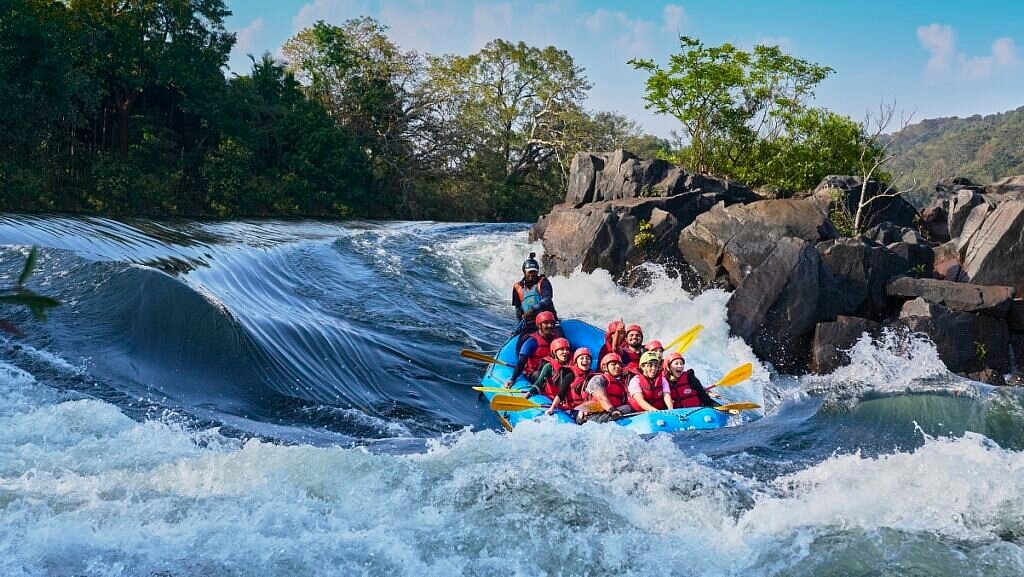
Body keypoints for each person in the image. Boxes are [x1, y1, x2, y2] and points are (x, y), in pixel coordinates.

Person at [505, 311, 561, 387]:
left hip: (552, 370)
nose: (550, 325)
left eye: (552, 323)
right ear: (539, 325)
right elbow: (521, 362)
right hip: (533, 373)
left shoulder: (557, 339)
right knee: (540, 376)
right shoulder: (532, 341)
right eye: (546, 323)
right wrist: (512, 379)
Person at [580, 352, 633, 423]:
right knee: (627, 409)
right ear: (604, 367)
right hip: (592, 416)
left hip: (608, 413)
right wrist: (612, 411)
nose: (618, 366)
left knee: (628, 408)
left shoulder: (620, 384)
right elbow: (601, 398)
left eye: (619, 364)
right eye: (613, 364)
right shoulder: (598, 379)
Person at [512, 252, 556, 336]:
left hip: (548, 322)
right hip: (530, 324)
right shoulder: (517, 287)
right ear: (524, 272)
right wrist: (518, 327)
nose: (532, 274)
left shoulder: (543, 282)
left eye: (534, 272)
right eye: (530, 272)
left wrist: (532, 310)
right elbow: (518, 311)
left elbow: (547, 300)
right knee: (520, 345)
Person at [547, 347, 593, 418]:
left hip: (588, 407)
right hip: (573, 408)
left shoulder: (593, 376)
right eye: (582, 358)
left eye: (588, 358)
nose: (585, 360)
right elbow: (561, 394)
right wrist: (552, 408)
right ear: (576, 362)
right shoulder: (570, 376)